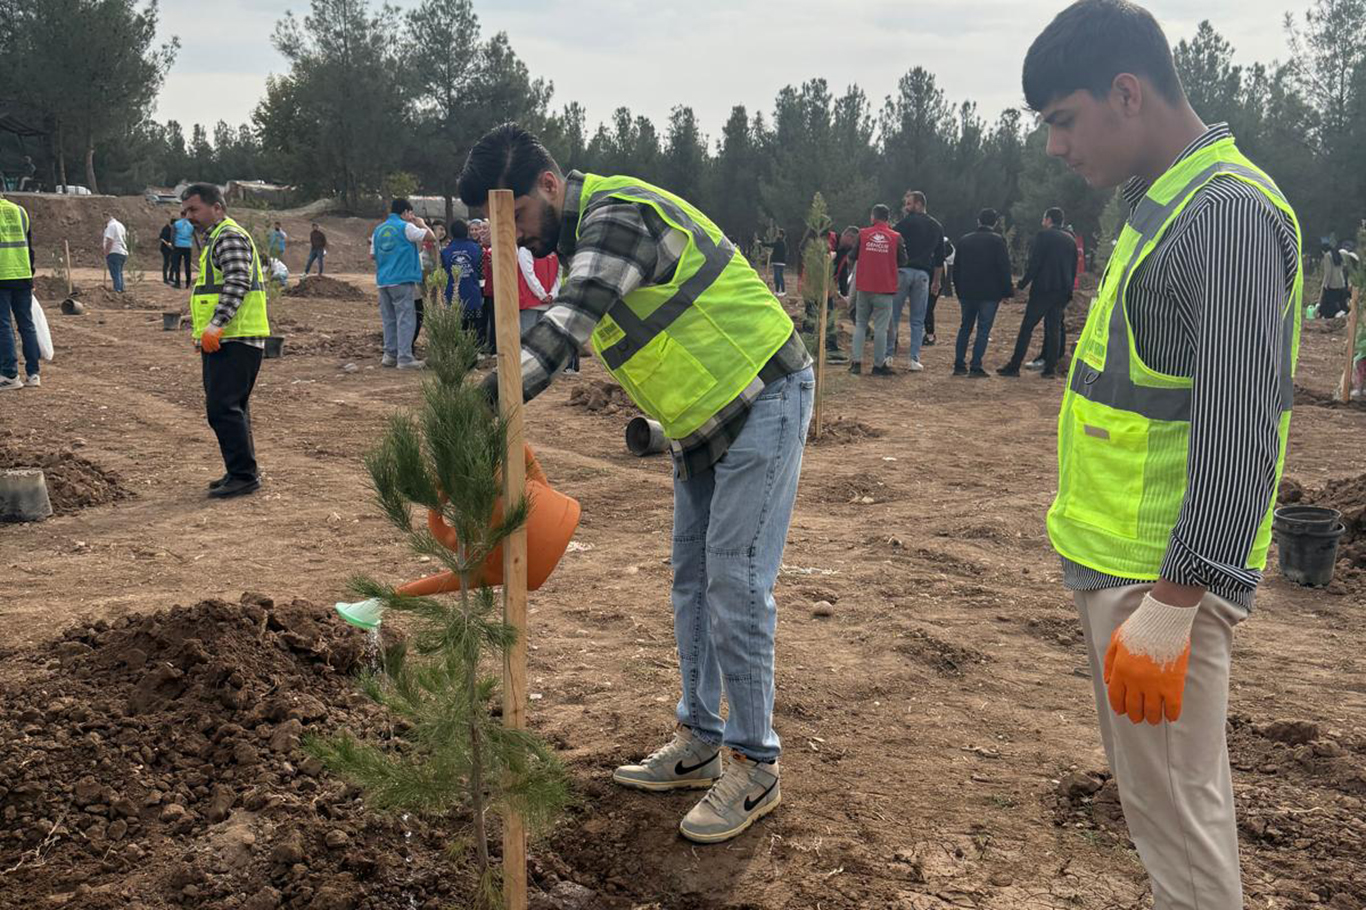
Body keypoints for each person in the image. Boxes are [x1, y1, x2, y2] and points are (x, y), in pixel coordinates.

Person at [459, 123, 812, 845]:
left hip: (762, 397)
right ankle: (700, 737)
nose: (519, 238)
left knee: (736, 583)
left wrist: (475, 409)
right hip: (700, 425)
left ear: (550, 187)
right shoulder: (584, 234)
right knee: (691, 578)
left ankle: (754, 763)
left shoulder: (617, 218)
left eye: (520, 217)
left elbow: (567, 324)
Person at [1025, 4, 1304, 908]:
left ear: (1127, 92)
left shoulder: (1223, 216)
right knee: (1164, 817)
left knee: (1181, 831)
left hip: (1159, 585)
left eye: (1062, 119)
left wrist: (1175, 604)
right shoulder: (1172, 205)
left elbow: (1241, 426)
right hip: (1132, 573)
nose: (1056, 149)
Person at [181, 182, 272, 499]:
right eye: (186, 211)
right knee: (234, 408)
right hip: (231, 337)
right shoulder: (216, 239)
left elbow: (236, 282)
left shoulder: (228, 236)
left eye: (194, 209)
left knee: (222, 408)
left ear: (216, 208)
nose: (188, 216)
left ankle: (243, 475)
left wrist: (216, 324)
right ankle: (241, 471)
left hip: (236, 337)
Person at [999, 207, 1078, 378]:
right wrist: (1069, 290)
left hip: (1043, 289)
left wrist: (1022, 284)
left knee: (1027, 327)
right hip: (1062, 290)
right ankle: (1050, 369)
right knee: (1054, 328)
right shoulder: (1070, 240)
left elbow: (1035, 264)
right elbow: (1073, 268)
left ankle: (1014, 366)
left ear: (1048, 219)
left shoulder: (1044, 236)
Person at [370, 198, 433, 370]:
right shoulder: (407, 227)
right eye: (411, 213)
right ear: (405, 212)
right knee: (405, 318)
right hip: (402, 278)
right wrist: (421, 223)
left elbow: (373, 255)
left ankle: (389, 355)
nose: (412, 216)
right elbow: (431, 237)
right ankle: (404, 357)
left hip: (383, 280)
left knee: (389, 319)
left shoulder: (379, 230)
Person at [950, 209, 1014, 377]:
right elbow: (1003, 268)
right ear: (995, 223)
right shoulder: (998, 241)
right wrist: (1007, 291)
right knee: (983, 330)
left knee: (965, 327)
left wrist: (958, 289)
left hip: (967, 292)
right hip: (990, 294)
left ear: (978, 221)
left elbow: (956, 269)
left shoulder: (965, 240)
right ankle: (976, 366)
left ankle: (959, 364)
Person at [846, 205, 907, 376]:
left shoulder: (863, 234)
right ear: (888, 218)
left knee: (860, 324)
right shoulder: (896, 237)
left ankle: (856, 363)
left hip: (864, 287)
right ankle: (878, 365)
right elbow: (903, 261)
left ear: (873, 217)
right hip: (885, 288)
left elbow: (852, 257)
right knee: (881, 329)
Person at [890, 191, 945, 371]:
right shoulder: (937, 226)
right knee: (918, 319)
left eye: (909, 204)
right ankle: (914, 359)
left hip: (903, 272)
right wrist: (936, 282)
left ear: (919, 204)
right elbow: (939, 258)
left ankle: (888, 355)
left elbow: (891, 243)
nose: (906, 208)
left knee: (894, 316)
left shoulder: (905, 223)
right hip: (923, 276)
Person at [0, 192, 39, 391]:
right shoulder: (20, 211)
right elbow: (29, 246)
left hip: (2, 275)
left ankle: (10, 375)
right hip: (22, 274)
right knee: (26, 323)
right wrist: (30, 274)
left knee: (3, 325)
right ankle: (33, 373)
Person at [442, 218, 485, 339]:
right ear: (466, 231)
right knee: (474, 326)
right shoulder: (476, 248)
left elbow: (444, 273)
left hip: (453, 294)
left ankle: (457, 352)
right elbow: (481, 272)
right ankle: (477, 351)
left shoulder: (445, 251)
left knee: (457, 326)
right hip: (472, 292)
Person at [924, 235, 954, 346]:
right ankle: (929, 335)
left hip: (926, 275)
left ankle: (929, 335)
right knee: (929, 308)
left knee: (925, 308)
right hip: (937, 276)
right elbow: (950, 254)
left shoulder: (920, 239)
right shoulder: (943, 239)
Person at [1319, 241, 1351, 319]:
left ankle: (1328, 315)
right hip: (1341, 282)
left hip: (1332, 284)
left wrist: (1325, 284)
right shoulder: (1337, 254)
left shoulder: (1327, 256)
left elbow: (1328, 272)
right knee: (1342, 302)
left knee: (1329, 302)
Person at [103, 212, 128, 293]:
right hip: (122, 252)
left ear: (107, 217)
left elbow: (110, 241)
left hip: (114, 252)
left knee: (115, 273)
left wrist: (106, 253)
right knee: (119, 272)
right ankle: (121, 288)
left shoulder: (111, 226)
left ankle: (117, 290)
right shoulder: (120, 225)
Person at [172, 213, 196, 288]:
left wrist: (173, 245)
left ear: (181, 215)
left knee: (177, 265)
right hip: (188, 246)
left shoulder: (176, 224)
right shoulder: (191, 225)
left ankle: (177, 283)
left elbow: (172, 235)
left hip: (178, 246)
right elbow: (194, 236)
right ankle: (188, 283)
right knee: (187, 266)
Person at [763, 229, 787, 295]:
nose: (777, 235)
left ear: (781, 235)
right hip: (778, 262)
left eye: (778, 234)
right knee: (777, 277)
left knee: (779, 277)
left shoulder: (780, 243)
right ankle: (777, 291)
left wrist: (762, 243)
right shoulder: (780, 243)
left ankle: (782, 291)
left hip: (779, 262)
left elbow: (770, 245)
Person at [159, 216, 176, 285]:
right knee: (166, 263)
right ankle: (165, 279)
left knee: (174, 263)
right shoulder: (166, 229)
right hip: (165, 248)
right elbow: (161, 238)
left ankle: (171, 277)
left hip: (172, 248)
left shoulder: (174, 230)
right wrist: (167, 244)